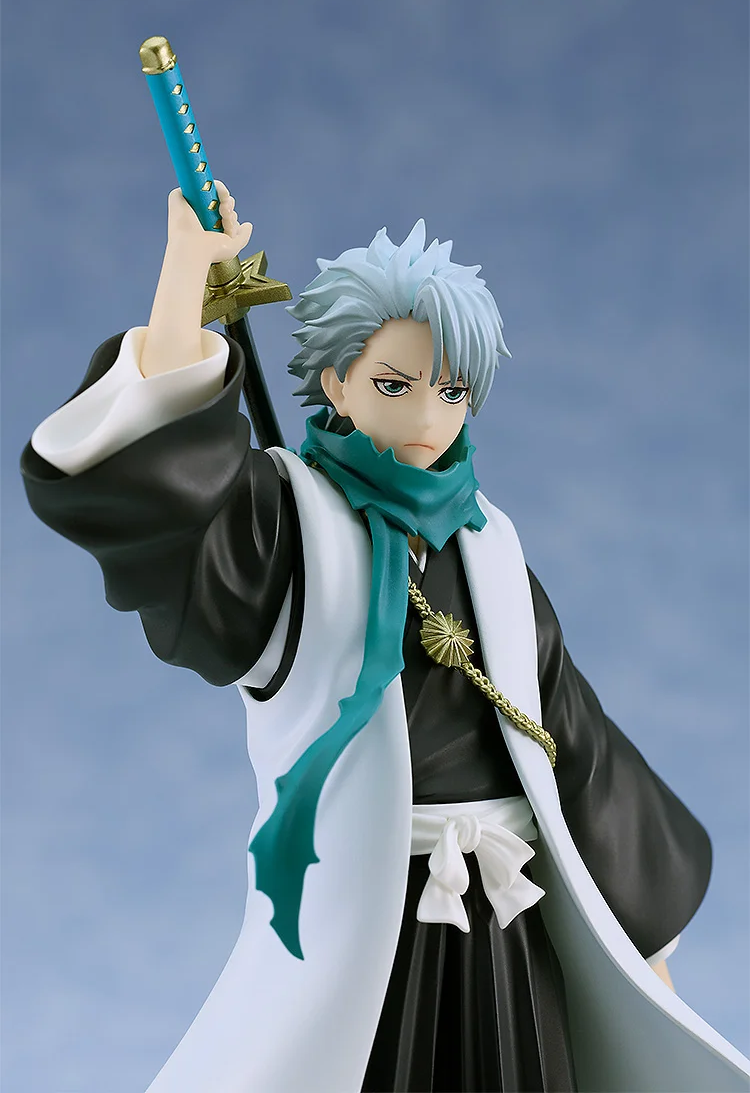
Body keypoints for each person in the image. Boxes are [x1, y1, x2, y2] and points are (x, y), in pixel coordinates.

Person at [22, 186, 745, 1093]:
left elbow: (569, 735)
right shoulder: (288, 521)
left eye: (452, 390)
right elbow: (167, 486)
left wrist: (642, 933)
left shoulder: (489, 541)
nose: (427, 417)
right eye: (393, 386)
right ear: (336, 384)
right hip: (371, 912)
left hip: (509, 911)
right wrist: (182, 282)